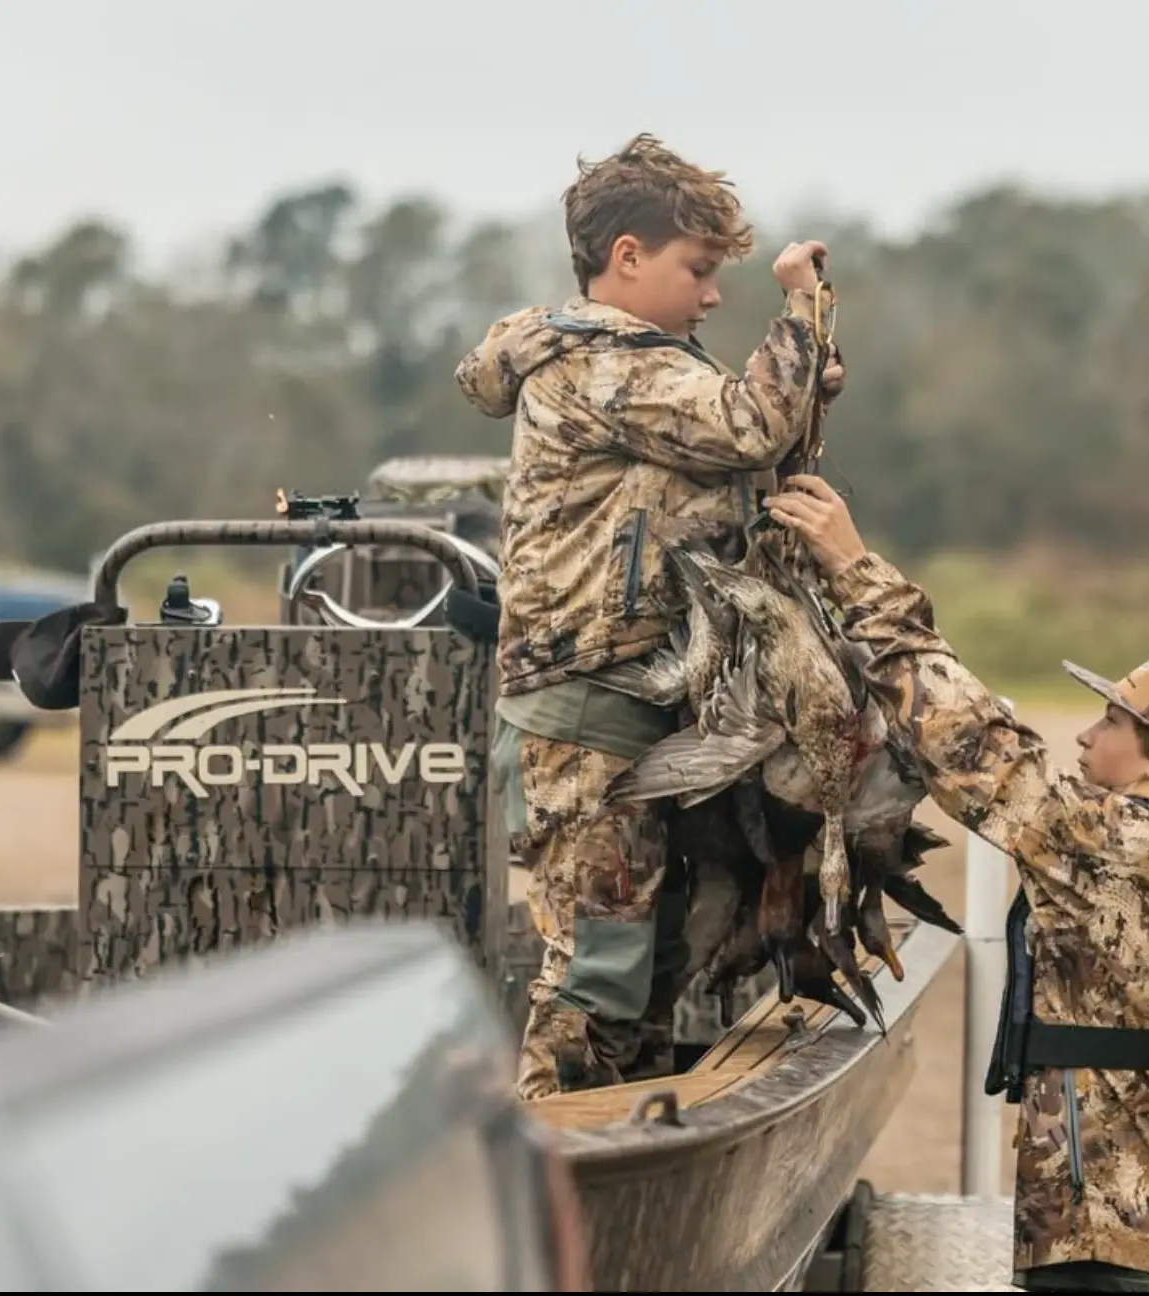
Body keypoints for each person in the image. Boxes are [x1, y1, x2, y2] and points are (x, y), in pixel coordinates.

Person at [764, 473, 1149, 1293]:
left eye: (1112, 721)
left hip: (1124, 1244)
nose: (1086, 736)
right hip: (1126, 1232)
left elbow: (973, 744)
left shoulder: (1114, 841)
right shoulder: (1145, 837)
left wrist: (856, 570)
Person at [454, 134, 845, 1102]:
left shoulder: (642, 365)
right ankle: (557, 1148)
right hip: (586, 706)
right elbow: (747, 425)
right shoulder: (603, 365)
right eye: (697, 270)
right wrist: (799, 310)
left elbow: (746, 440)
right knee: (598, 969)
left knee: (650, 963)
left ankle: (624, 1144)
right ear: (626, 256)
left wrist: (804, 373)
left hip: (634, 702)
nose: (710, 295)